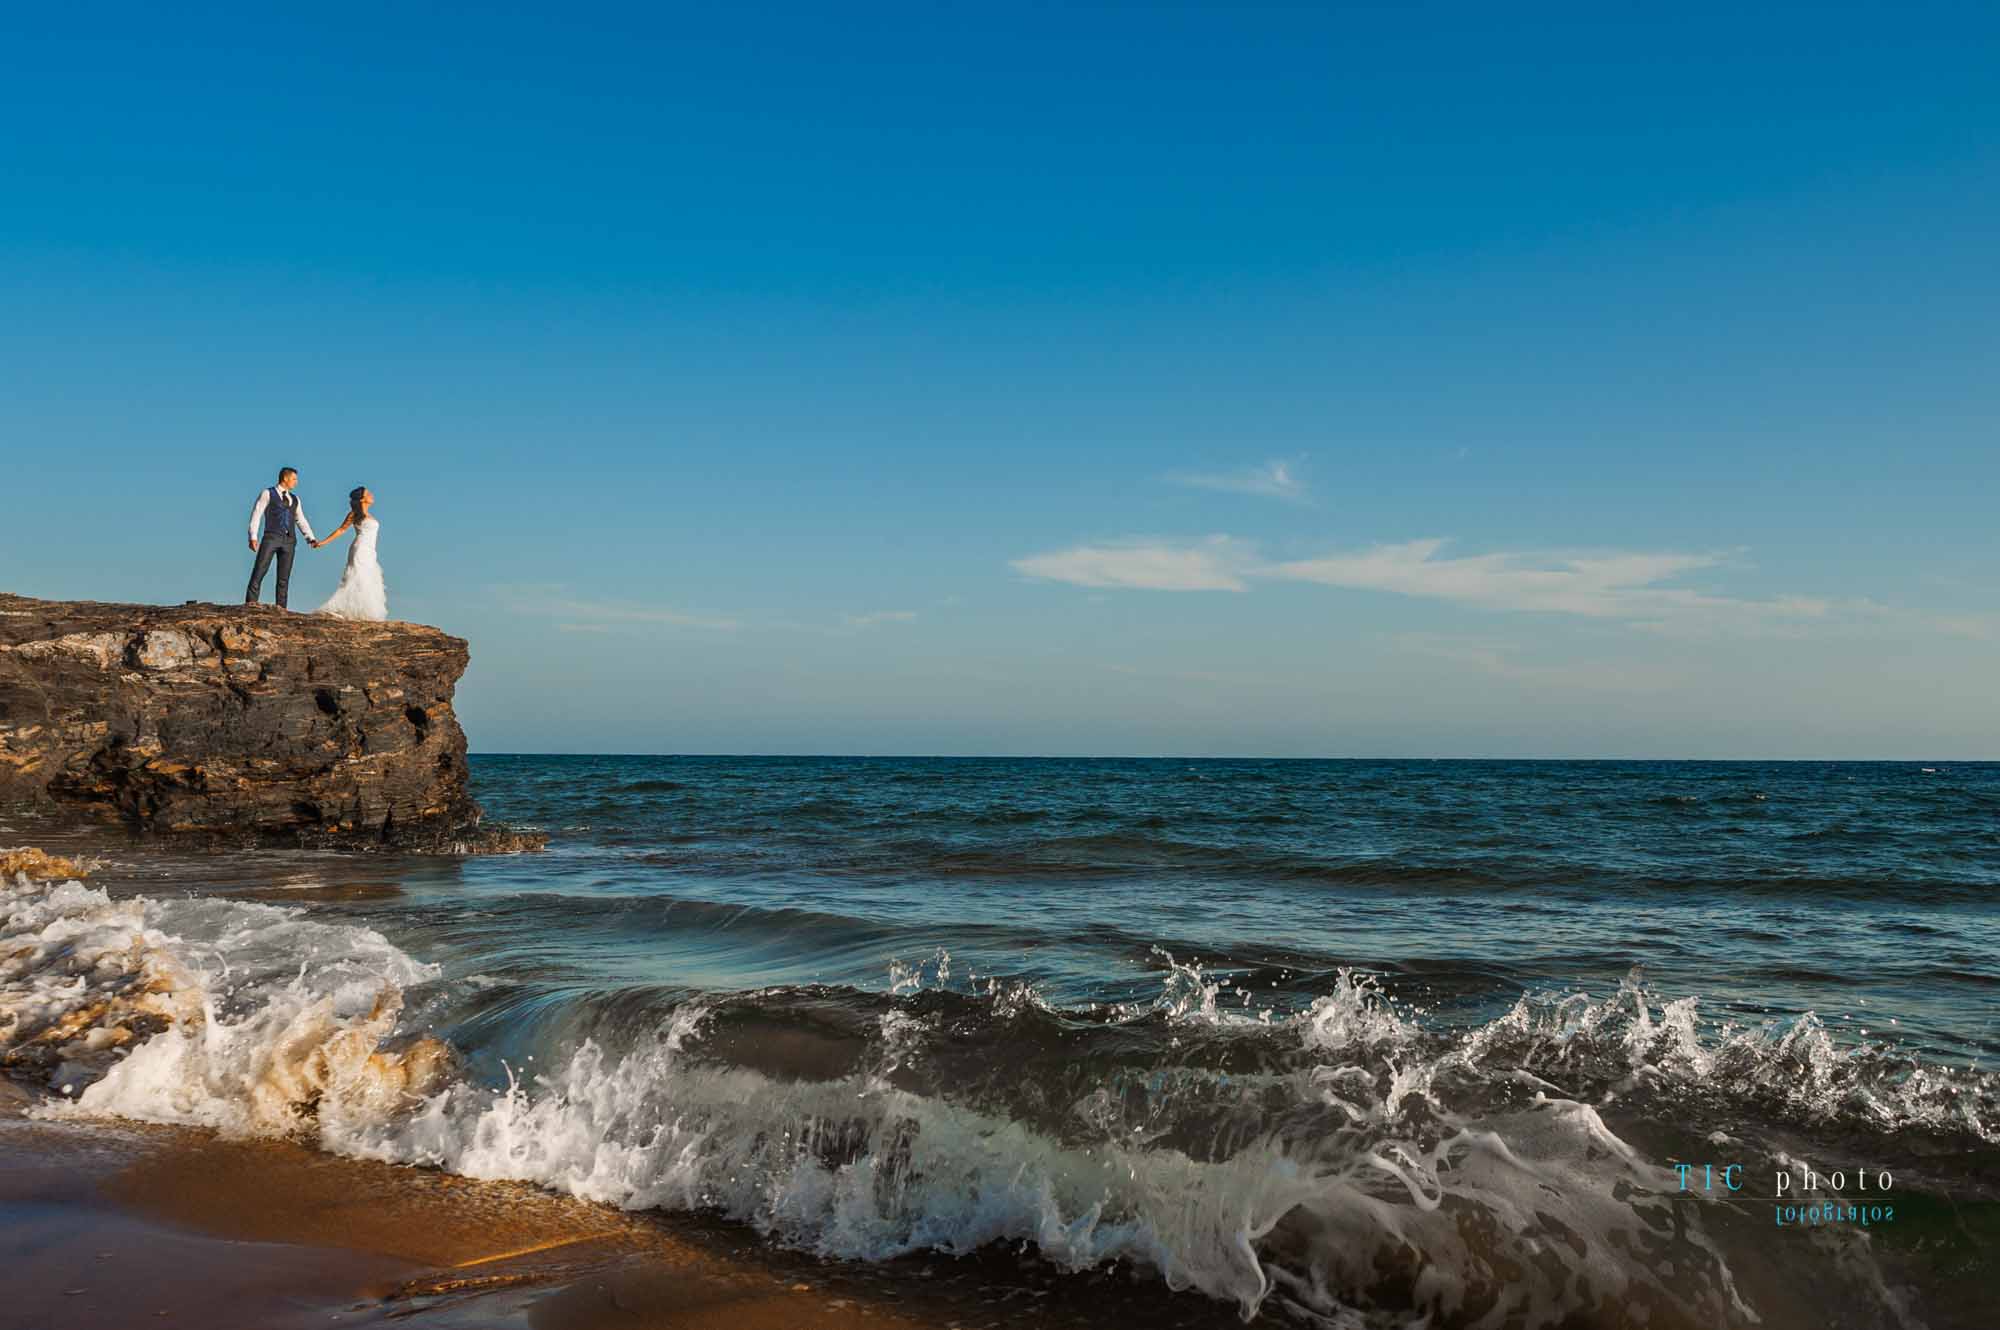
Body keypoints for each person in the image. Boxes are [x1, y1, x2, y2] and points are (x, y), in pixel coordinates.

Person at [312, 486, 388, 621]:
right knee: (357, 578)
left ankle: (363, 612)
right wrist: (323, 542)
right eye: (368, 494)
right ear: (362, 499)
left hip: (370, 551)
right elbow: (341, 530)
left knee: (368, 579)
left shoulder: (369, 515)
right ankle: (341, 609)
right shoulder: (354, 514)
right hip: (360, 549)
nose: (371, 495)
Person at [245, 467, 317, 609]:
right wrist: (253, 536)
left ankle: (281, 609)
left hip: (289, 541)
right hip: (271, 537)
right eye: (294, 479)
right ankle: (250, 606)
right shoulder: (268, 493)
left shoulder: (295, 499)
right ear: (285, 478)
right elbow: (257, 514)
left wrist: (311, 538)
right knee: (259, 570)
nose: (296, 482)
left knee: (284, 578)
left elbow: (300, 519)